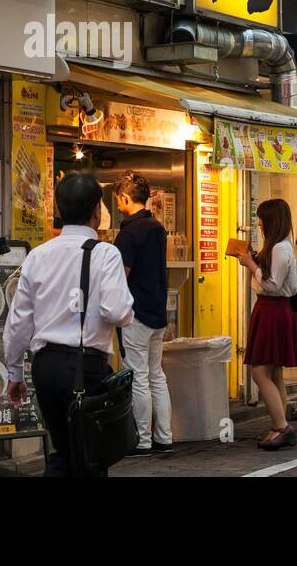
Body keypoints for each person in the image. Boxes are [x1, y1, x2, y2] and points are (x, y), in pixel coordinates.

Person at [4, 172, 134, 476]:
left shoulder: (38, 255)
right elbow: (117, 312)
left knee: (65, 448)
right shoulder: (106, 254)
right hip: (86, 366)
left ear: (60, 211)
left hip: (46, 366)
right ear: (97, 211)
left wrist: (14, 372)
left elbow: (19, 319)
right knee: (90, 454)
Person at [112, 171, 173, 458]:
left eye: (117, 199)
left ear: (124, 198)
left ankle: (143, 440)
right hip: (158, 312)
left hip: (136, 314)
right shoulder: (157, 227)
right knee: (156, 375)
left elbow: (120, 277)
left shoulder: (129, 233)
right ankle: (164, 437)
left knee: (138, 376)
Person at [234, 198, 297, 450]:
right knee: (275, 373)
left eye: (262, 218)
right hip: (277, 311)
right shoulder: (280, 247)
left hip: (272, 310)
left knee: (259, 372)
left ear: (271, 220)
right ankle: (278, 425)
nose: (259, 222)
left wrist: (251, 265)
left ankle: (282, 427)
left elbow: (272, 285)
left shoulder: (279, 249)